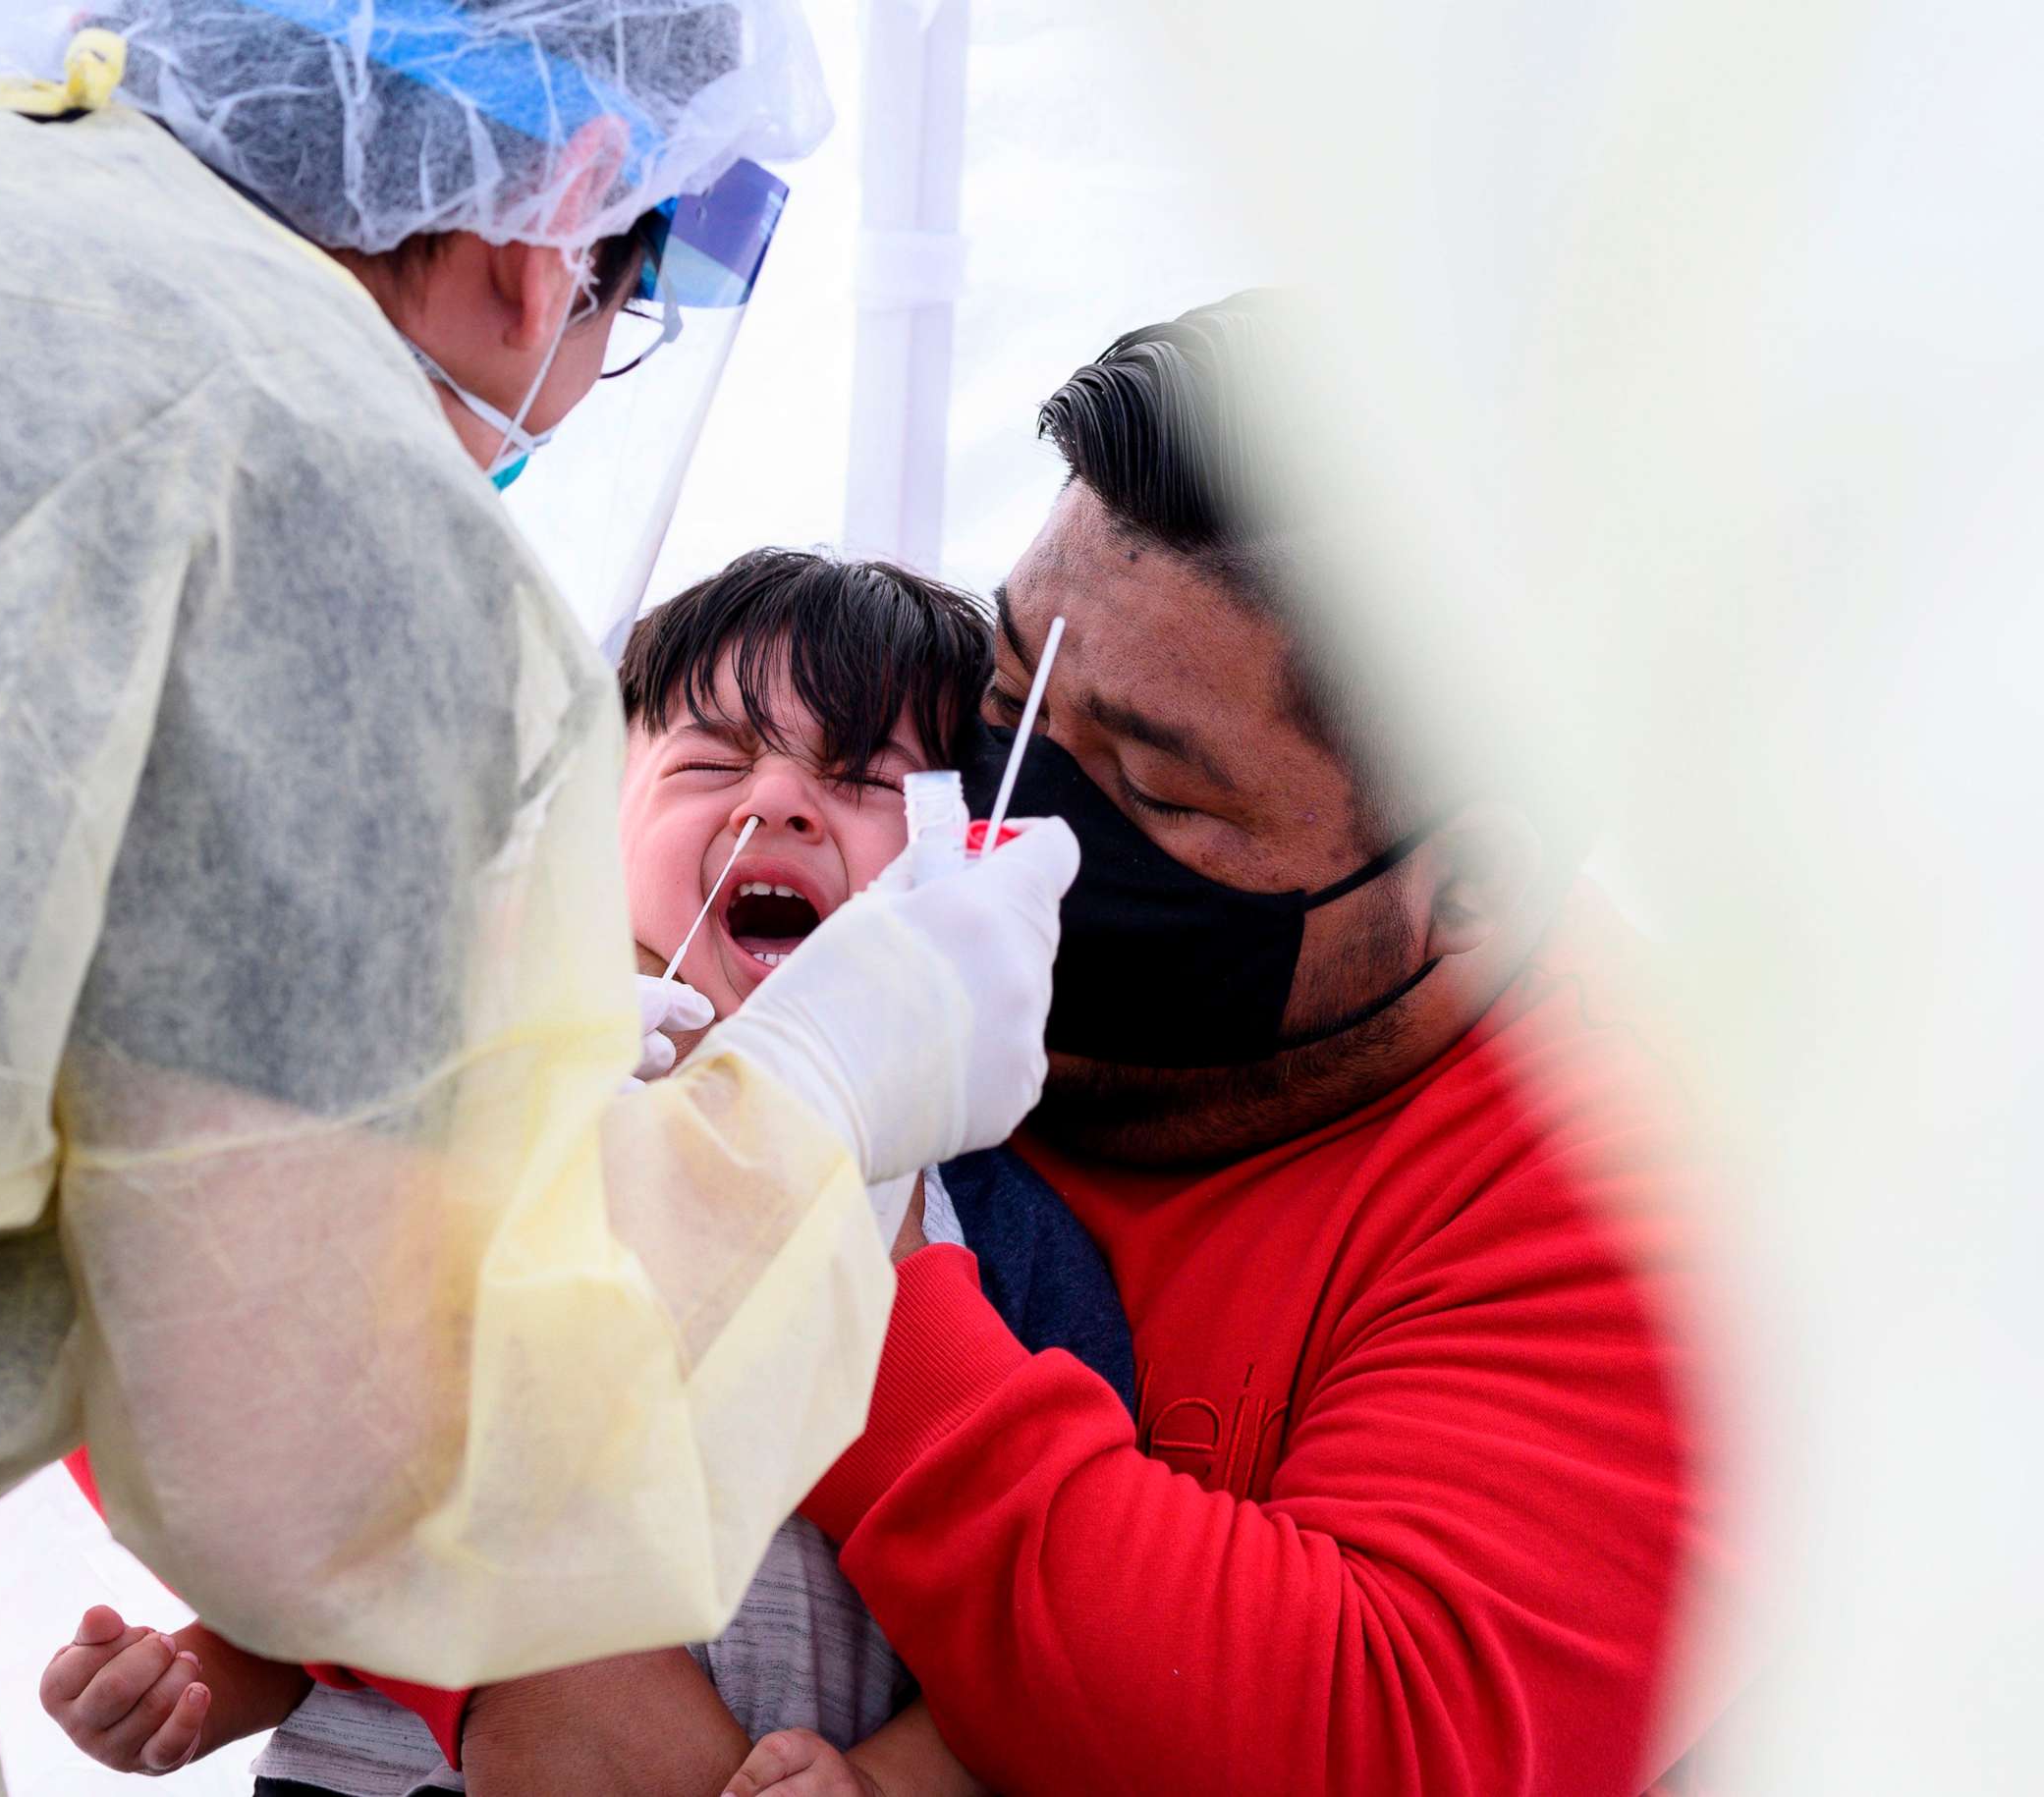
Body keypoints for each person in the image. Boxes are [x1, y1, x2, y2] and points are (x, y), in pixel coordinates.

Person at [0, 7, 1080, 1793]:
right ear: (556, 209)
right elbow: (349, 1481)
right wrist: (821, 1088)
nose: (573, 387)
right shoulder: (325, 485)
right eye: (623, 310)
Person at [487, 294, 1739, 1796]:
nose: (1019, 809)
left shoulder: (1656, 1205)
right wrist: (482, 1664)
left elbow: (1363, 1735)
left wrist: (790, 1257)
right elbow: (270, 1277)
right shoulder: (847, 914)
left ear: (1467, 885)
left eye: (1149, 785)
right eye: (1008, 696)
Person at [35, 549, 1134, 1796]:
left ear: (959, 847)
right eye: (713, 762)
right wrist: (201, 1678)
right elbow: (350, 1496)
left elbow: (1052, 1627)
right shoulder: (466, 1119)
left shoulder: (993, 1222)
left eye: (862, 778)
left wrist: (887, 1781)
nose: (773, 804)